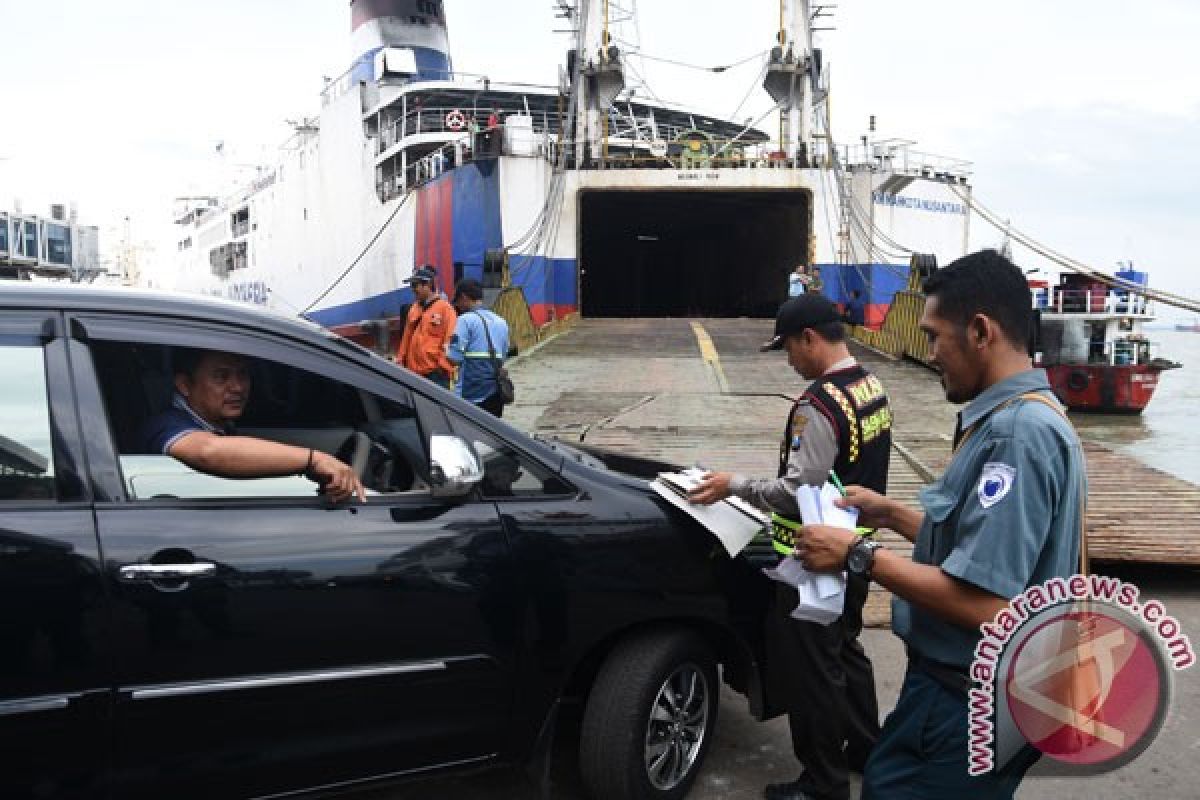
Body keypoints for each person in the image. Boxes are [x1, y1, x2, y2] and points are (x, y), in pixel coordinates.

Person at [796, 250, 1085, 799]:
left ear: (980, 331)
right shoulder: (1035, 413)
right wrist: (892, 513)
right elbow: (987, 543)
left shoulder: (1015, 437)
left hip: (965, 701)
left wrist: (858, 555)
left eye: (934, 336)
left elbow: (988, 603)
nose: (929, 354)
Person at [689, 293, 891, 800]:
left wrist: (734, 484)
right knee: (846, 653)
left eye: (789, 349)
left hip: (814, 561)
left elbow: (800, 490)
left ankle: (822, 785)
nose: (789, 360)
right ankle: (869, 751)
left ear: (811, 338)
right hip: (859, 551)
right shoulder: (870, 388)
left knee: (812, 675)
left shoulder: (819, 405)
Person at [140, 348, 365, 503]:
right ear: (185, 385)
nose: (237, 387)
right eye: (221, 376)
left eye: (243, 375)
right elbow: (208, 451)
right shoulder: (166, 425)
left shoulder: (218, 426)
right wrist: (314, 460)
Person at [447, 278, 511, 417]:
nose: (457, 306)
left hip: (472, 392)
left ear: (463, 297)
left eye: (457, 302)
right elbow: (504, 354)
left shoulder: (465, 320)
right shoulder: (501, 321)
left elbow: (454, 358)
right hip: (496, 391)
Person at [395, 265, 457, 389]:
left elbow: (449, 340)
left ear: (427, 285)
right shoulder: (414, 309)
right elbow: (406, 337)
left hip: (435, 374)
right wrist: (400, 360)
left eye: (415, 285)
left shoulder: (446, 309)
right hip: (414, 372)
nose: (412, 289)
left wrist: (442, 367)